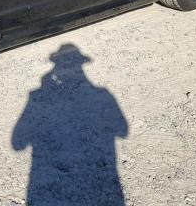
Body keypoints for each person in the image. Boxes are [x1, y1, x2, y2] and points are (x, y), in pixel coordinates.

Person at [12, 43, 128, 205]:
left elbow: (17, 144)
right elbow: (123, 131)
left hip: (47, 182)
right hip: (97, 181)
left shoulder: (36, 97)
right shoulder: (103, 96)